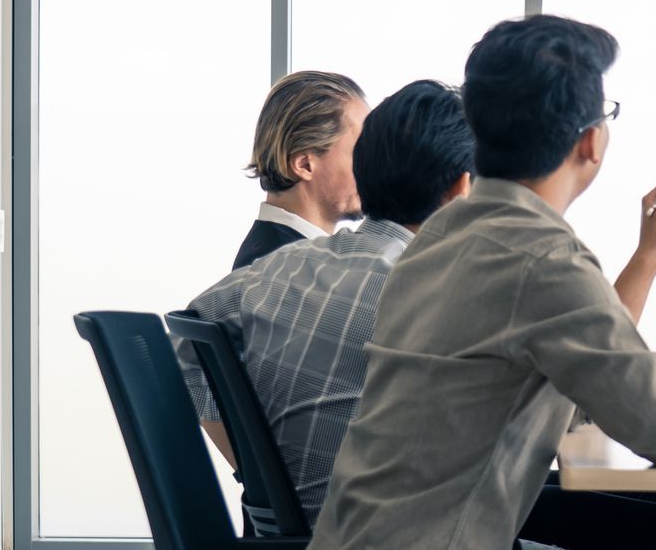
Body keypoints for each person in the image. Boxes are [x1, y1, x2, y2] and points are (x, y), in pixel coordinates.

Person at [309, 15, 656, 550]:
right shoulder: (540, 258)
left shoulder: (441, 237)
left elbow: (589, 391)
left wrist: (650, 254)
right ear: (590, 143)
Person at [177, 80, 474, 528]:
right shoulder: (287, 268)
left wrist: (266, 479)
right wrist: (259, 471)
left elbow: (187, 338)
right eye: (361, 146)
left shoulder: (283, 268)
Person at [233, 70, 370, 270]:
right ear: (304, 165)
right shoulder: (285, 270)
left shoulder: (273, 252)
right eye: (360, 152)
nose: (373, 165)